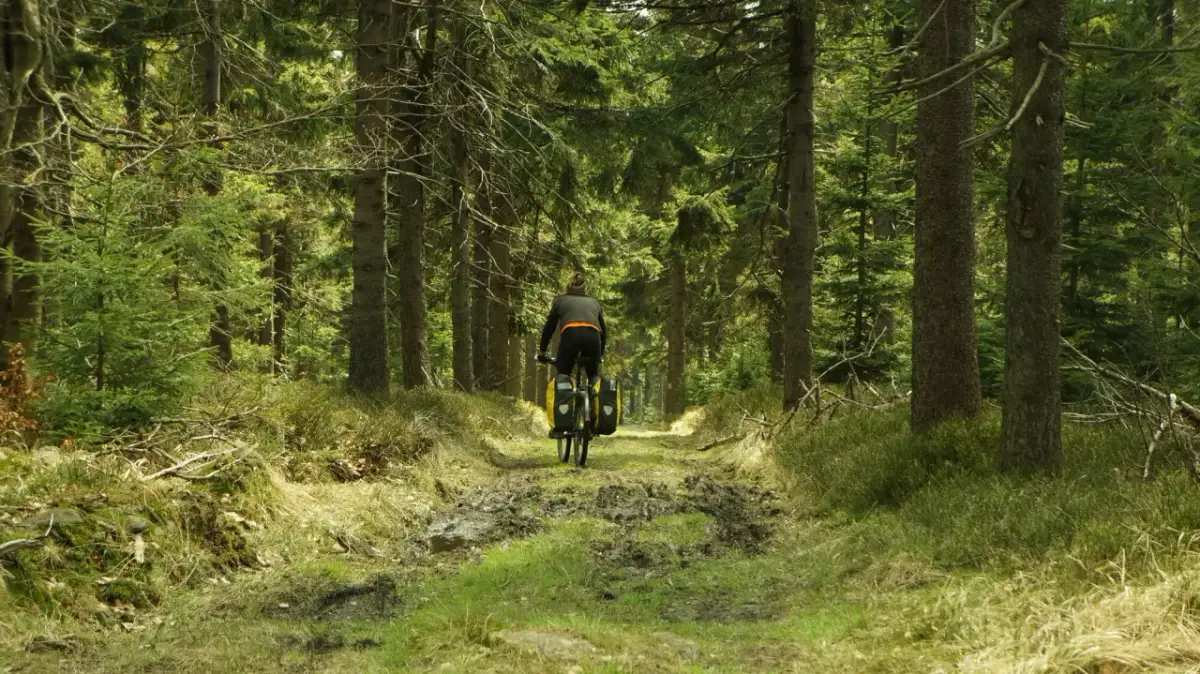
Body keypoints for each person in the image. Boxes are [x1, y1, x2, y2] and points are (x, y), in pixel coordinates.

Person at [539, 271, 606, 381]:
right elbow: (604, 331)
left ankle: (564, 384)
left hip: (570, 336)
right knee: (593, 374)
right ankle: (594, 385)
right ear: (584, 287)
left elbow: (549, 328)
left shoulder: (559, 301)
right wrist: (599, 355)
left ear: (568, 285)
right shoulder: (594, 302)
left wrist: (542, 351)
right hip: (593, 338)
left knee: (563, 374)